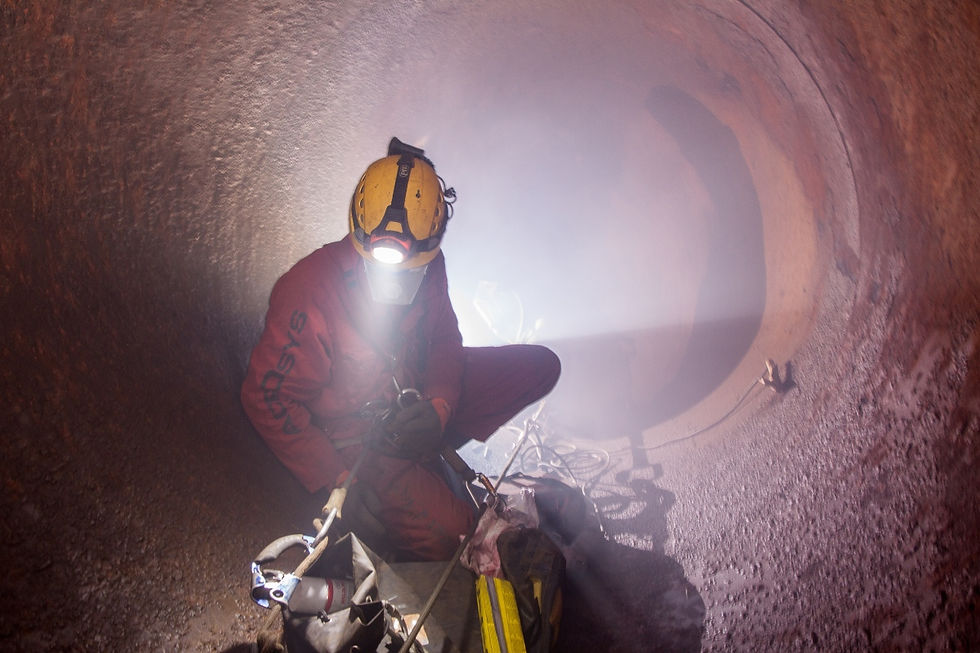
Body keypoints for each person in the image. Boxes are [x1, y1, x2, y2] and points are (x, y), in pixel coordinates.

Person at [241, 138, 561, 561]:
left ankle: (425, 458)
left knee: (540, 367)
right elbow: (267, 397)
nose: (393, 283)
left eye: (409, 269)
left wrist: (438, 408)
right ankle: (410, 483)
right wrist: (334, 478)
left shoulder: (430, 265)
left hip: (415, 403)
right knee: (464, 542)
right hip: (361, 440)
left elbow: (447, 340)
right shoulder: (309, 292)